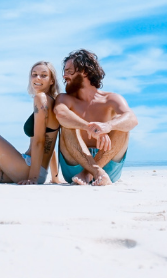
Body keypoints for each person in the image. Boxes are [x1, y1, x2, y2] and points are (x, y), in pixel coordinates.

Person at [54, 49, 138, 186]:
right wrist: (89, 127)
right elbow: (61, 114)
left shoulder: (111, 98)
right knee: (68, 124)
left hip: (107, 163)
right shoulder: (64, 98)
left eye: (69, 71)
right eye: (64, 72)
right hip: (75, 164)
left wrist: (109, 125)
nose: (64, 76)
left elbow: (132, 119)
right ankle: (95, 171)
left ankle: (89, 173)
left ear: (85, 72)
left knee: (122, 125)